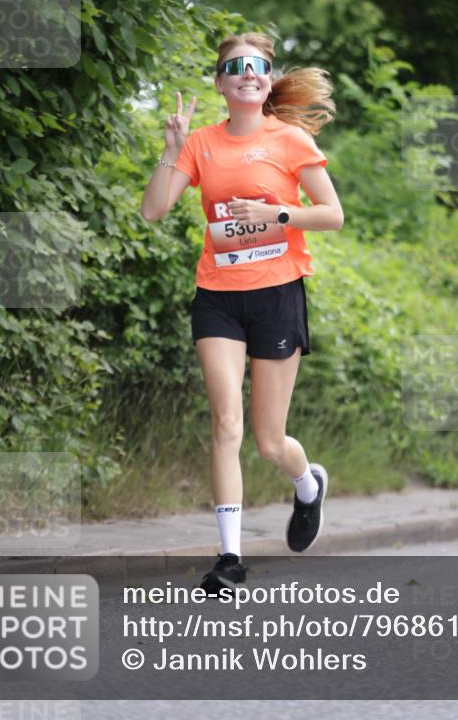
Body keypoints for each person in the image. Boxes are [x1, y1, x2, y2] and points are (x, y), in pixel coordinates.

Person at [140, 32, 344, 594]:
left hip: (278, 294)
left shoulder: (291, 140)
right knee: (225, 424)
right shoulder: (200, 143)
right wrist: (171, 145)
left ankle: (307, 486)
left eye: (257, 66)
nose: (247, 73)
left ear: (268, 79)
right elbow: (154, 209)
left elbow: (332, 215)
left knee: (268, 441)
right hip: (219, 298)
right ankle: (230, 560)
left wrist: (277, 213)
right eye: (235, 66)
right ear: (221, 82)